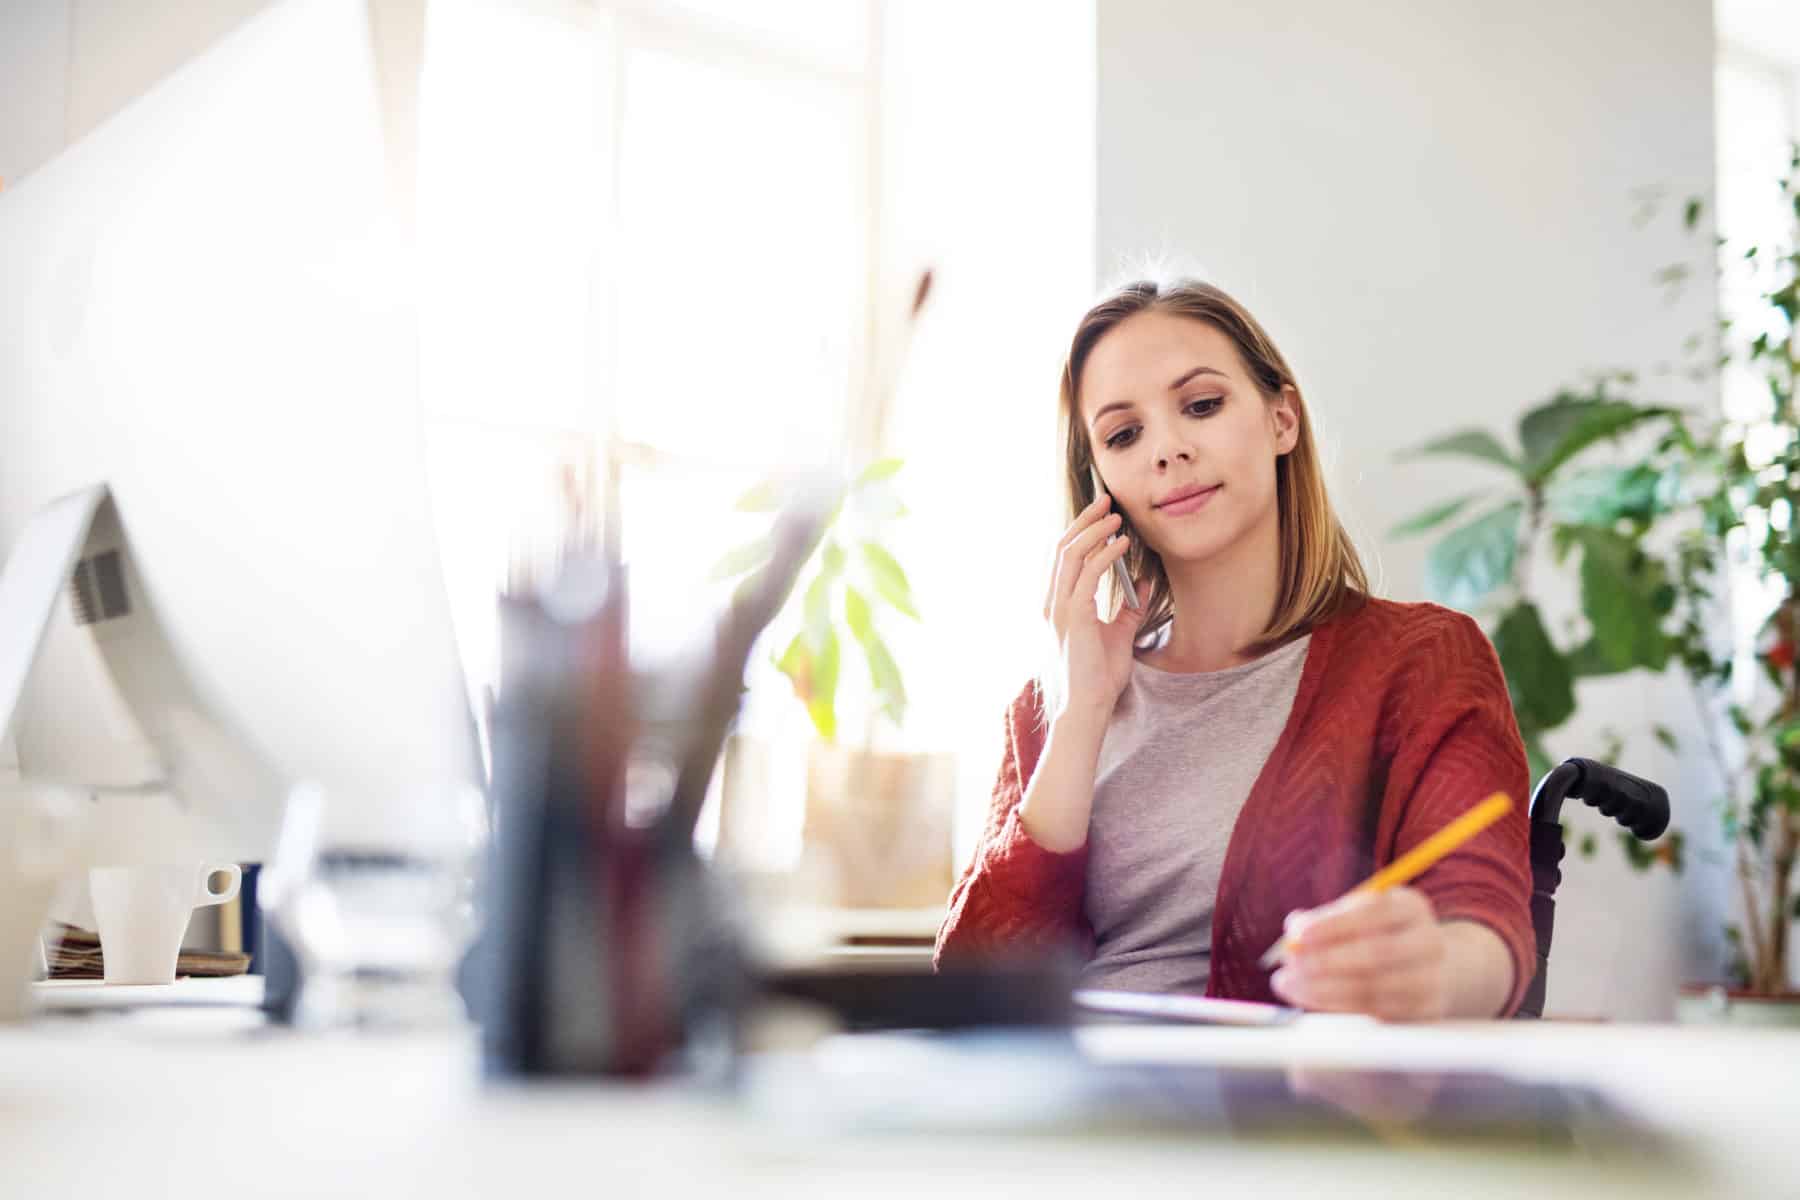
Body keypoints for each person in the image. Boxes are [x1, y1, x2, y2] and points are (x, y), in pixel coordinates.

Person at [934, 279, 1533, 1021]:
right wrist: (1083, 709)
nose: (1169, 449)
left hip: (1269, 1118)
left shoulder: (1420, 661)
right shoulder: (1048, 706)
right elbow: (972, 993)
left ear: (1282, 419)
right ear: (1101, 488)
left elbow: (1486, 927)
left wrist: (1431, 972)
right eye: (1124, 435)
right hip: (1065, 1110)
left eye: (1202, 405)